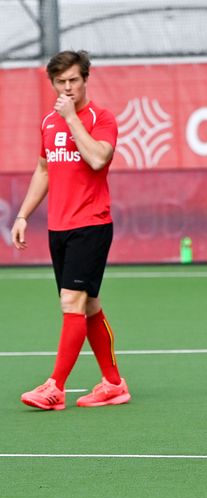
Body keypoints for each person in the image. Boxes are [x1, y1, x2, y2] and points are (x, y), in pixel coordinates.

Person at [12, 50, 130, 411]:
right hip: (59, 227)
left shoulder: (101, 118)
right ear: (52, 83)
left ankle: (55, 387)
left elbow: (97, 158)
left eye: (74, 80)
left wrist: (71, 119)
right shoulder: (48, 122)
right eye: (60, 82)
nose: (67, 88)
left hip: (91, 225)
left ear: (85, 80)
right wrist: (23, 215)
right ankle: (114, 384)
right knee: (88, 305)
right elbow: (44, 170)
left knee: (71, 302)